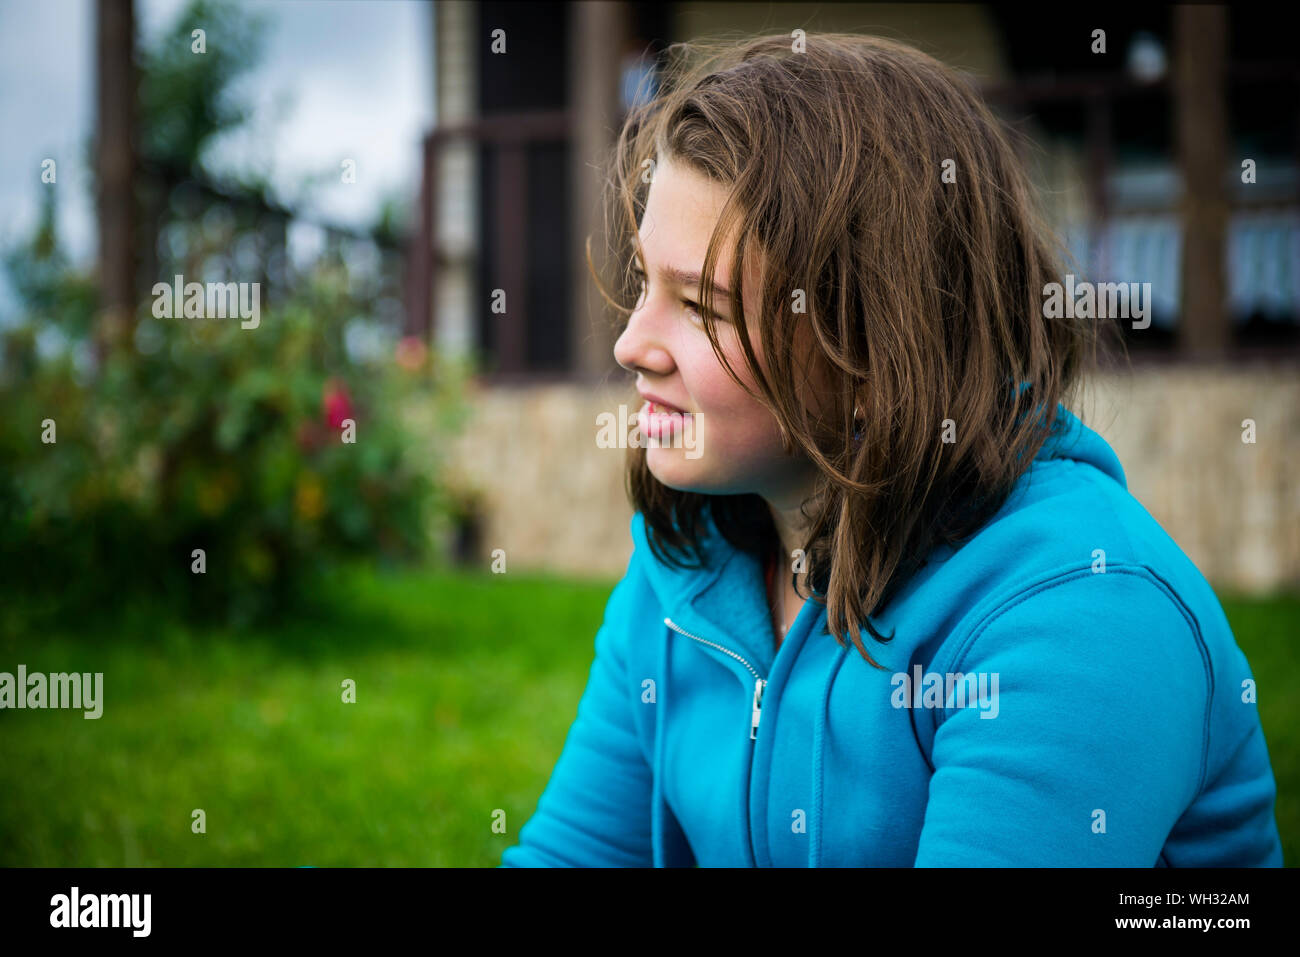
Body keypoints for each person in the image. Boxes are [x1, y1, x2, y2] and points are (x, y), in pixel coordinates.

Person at [499, 32, 1283, 866]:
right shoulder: (687, 567)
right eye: (643, 283)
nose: (630, 344)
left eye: (701, 306)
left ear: (877, 350)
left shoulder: (1078, 612)